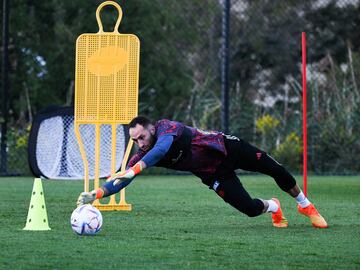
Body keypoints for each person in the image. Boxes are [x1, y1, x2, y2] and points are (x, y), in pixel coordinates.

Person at [77, 116, 328, 228]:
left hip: (228, 148)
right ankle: (273, 207)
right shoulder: (140, 155)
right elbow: (121, 181)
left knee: (277, 170)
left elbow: (161, 149)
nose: (140, 143)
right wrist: (97, 193)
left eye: (142, 136)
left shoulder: (167, 128)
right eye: (135, 141)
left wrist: (136, 168)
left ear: (152, 128)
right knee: (251, 210)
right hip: (213, 173)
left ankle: (305, 205)